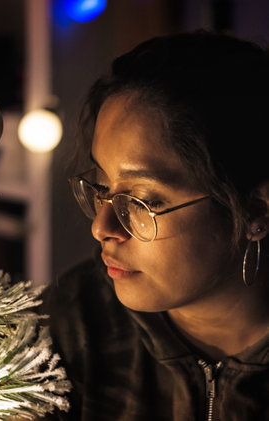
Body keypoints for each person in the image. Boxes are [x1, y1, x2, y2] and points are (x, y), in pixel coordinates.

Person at [42, 32, 269, 420]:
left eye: (144, 200)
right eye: (102, 186)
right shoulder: (69, 326)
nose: (102, 226)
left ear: (255, 211)